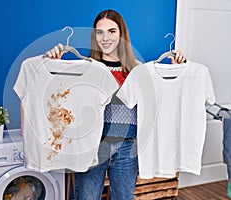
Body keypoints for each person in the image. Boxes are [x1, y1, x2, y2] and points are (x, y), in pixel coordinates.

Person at [46, 9, 186, 200]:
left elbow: (161, 98)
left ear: (121, 34)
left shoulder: (138, 69)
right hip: (92, 144)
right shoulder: (85, 68)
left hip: (127, 148)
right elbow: (61, 100)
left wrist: (178, 67)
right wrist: (55, 66)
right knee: (86, 197)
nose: (105, 38)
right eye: (99, 32)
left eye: (112, 31)